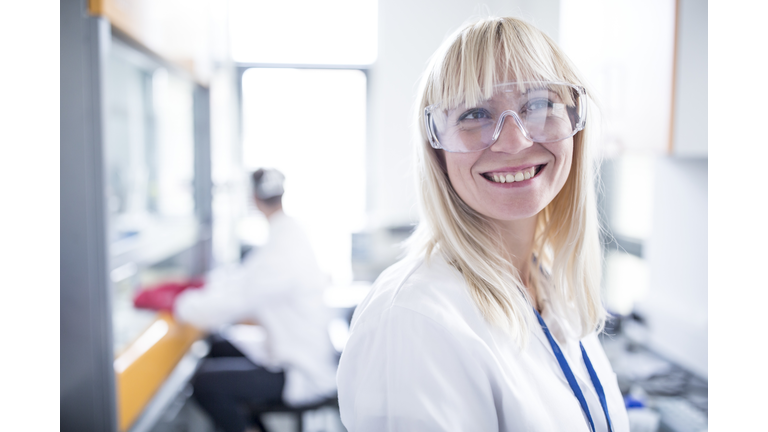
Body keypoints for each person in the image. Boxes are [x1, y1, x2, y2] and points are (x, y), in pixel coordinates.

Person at [336, 17, 630, 431]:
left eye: (541, 104)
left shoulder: (549, 288)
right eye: (475, 113)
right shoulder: (413, 319)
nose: (514, 141)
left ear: (574, 124)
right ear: (436, 149)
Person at [174, 168, 338, 432]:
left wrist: (180, 305)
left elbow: (235, 301)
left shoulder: (282, 250)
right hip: (290, 350)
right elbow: (243, 281)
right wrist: (202, 292)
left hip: (298, 370)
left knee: (204, 383)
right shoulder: (288, 234)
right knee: (216, 344)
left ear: (254, 199)